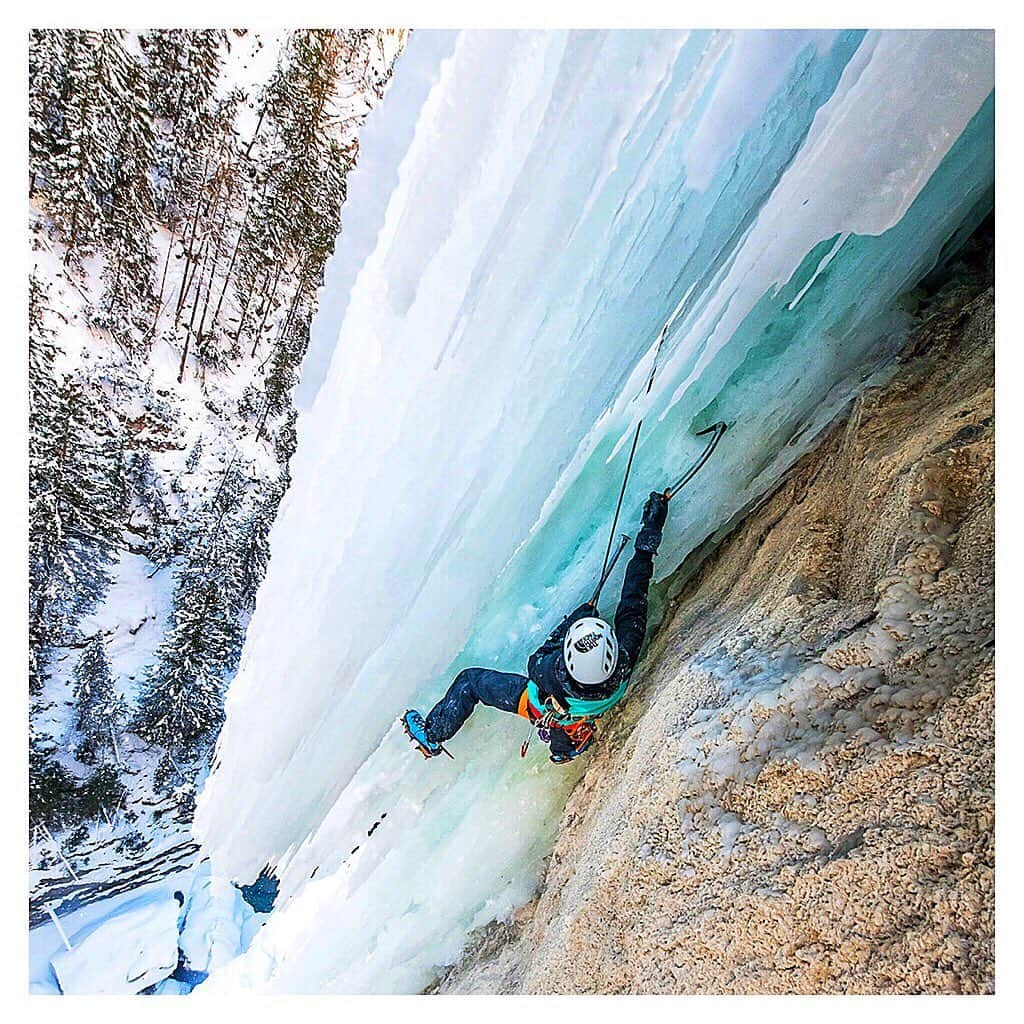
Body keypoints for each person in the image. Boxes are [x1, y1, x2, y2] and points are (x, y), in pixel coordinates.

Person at [403, 489, 670, 764]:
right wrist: (650, 534)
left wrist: (573, 620)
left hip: (541, 707)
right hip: (592, 706)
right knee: (563, 711)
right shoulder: (626, 656)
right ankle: (565, 746)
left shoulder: (552, 674)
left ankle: (433, 734)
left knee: (471, 681)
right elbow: (634, 598)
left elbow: (538, 658)